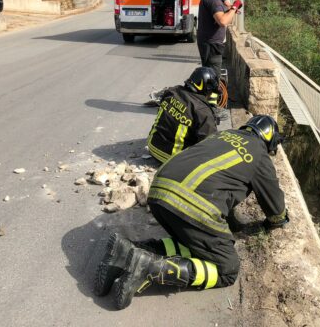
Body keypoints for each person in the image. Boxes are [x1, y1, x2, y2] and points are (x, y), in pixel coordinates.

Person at [93, 115, 289, 310]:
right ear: (270, 140)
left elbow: (218, 181)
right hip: (191, 204)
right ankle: (149, 268)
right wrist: (277, 221)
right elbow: (275, 206)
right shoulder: (260, 155)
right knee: (227, 269)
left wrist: (231, 223)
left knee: (196, 243)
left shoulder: (224, 135)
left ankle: (127, 251)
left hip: (159, 192)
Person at [146, 67, 219, 163]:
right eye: (211, 93)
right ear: (206, 89)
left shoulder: (172, 91)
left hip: (152, 145)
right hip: (172, 158)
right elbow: (209, 143)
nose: (210, 96)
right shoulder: (203, 111)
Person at [196, 0, 243, 79]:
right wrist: (234, 7)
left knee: (208, 75)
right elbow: (223, 21)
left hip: (209, 43)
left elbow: (220, 17)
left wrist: (230, 10)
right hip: (211, 45)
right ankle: (212, 90)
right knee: (213, 78)